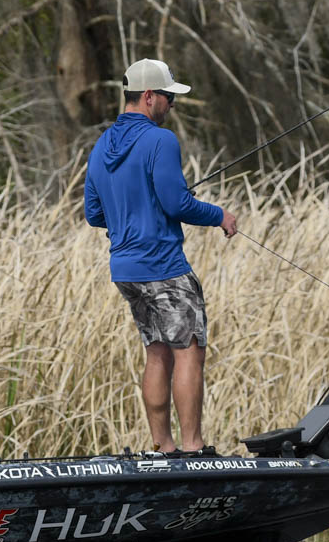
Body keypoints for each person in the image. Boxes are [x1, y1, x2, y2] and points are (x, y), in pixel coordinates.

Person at [84, 58, 237, 453]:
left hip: (125, 270)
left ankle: (162, 446)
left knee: (157, 352)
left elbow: (94, 213)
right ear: (149, 96)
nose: (172, 105)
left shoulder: (101, 146)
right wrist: (219, 215)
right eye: (169, 97)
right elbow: (176, 204)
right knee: (188, 350)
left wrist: (132, 214)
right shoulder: (160, 141)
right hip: (163, 266)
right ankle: (193, 447)